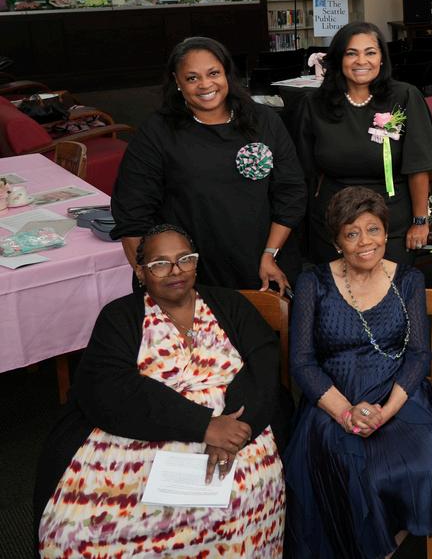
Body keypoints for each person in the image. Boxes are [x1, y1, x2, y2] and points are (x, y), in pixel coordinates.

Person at [34, 225, 287, 557]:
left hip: (235, 429)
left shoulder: (231, 305)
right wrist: (204, 426)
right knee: (82, 527)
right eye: (160, 264)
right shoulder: (119, 317)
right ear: (141, 272)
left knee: (242, 496)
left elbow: (263, 368)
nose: (175, 271)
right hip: (139, 433)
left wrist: (237, 429)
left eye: (185, 259)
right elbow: (108, 389)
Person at [284, 188, 432, 558]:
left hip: (397, 394)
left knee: (422, 459)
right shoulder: (312, 283)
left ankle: (380, 549)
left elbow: (419, 354)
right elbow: (302, 362)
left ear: (386, 232)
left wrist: (386, 411)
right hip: (331, 398)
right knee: (344, 465)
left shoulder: (408, 279)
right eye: (352, 233)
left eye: (373, 229)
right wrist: (346, 413)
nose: (365, 242)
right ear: (337, 242)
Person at [113, 36, 305, 291]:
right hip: (188, 275)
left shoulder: (264, 121)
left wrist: (271, 253)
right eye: (192, 78)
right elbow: (132, 210)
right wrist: (150, 276)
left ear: (226, 73)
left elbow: (290, 192)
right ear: (177, 81)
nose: (205, 84)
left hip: (264, 266)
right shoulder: (157, 132)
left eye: (213, 73)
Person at [297, 22, 432, 265]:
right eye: (351, 53)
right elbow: (304, 173)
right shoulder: (314, 104)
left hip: (391, 223)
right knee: (334, 289)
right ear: (338, 59)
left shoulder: (405, 96)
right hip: (333, 224)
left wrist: (420, 221)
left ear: (382, 58)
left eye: (370, 52)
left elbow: (418, 167)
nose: (361, 61)